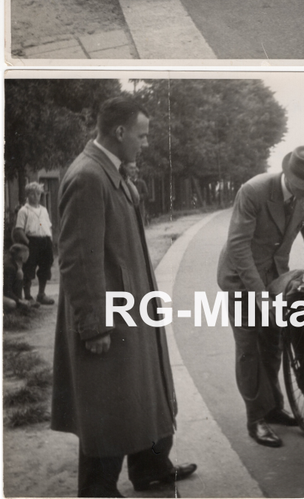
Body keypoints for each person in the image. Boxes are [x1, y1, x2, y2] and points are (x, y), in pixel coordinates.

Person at [51, 96, 197, 498]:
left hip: (129, 306)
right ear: (119, 132)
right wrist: (93, 326)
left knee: (141, 394)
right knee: (109, 407)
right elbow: (79, 260)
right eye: (142, 135)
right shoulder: (88, 177)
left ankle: (150, 468)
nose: (146, 143)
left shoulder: (109, 171)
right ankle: (97, 491)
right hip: (111, 313)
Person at [217, 145, 304, 448]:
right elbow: (239, 247)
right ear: (289, 177)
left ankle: (272, 407)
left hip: (274, 278)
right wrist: (260, 297)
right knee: (249, 349)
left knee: (272, 344)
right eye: (303, 187)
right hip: (240, 280)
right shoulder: (254, 191)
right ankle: (255, 418)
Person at [12, 182, 55, 305]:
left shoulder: (44, 210)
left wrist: (49, 239)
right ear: (27, 195)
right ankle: (28, 296)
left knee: (45, 267)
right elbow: (19, 229)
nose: (36, 196)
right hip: (32, 240)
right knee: (29, 268)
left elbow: (48, 226)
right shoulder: (24, 210)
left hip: (45, 240)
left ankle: (41, 294)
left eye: (38, 193)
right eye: (32, 193)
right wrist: (28, 242)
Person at [3, 244, 38, 311]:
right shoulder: (9, 267)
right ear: (22, 256)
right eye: (27, 253)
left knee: (20, 274)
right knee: (12, 304)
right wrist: (18, 300)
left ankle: (20, 303)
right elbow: (6, 290)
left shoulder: (16, 265)